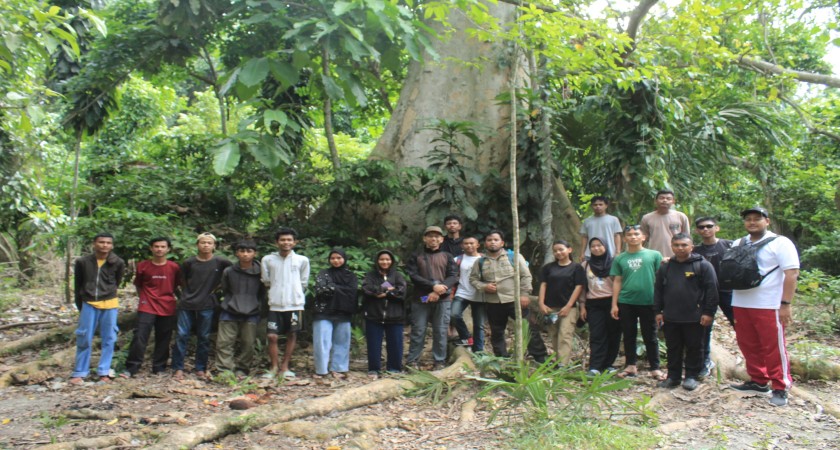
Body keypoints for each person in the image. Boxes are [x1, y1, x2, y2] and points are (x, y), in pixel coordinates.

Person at [729, 207, 799, 407]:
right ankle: (758, 380)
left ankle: (780, 385)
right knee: (748, 344)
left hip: (769, 304)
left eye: (757, 219)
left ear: (767, 221)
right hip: (741, 302)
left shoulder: (781, 243)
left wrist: (785, 304)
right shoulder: (738, 243)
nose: (752, 222)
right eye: (748, 219)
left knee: (773, 346)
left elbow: (791, 273)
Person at [469, 230, 548, 362]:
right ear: (485, 244)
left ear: (502, 243)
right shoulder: (480, 261)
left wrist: (524, 294)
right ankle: (501, 358)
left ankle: (540, 357)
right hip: (493, 302)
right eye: (489, 240)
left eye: (495, 239)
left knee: (528, 328)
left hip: (515, 300)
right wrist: (484, 287)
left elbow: (526, 275)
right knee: (497, 331)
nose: (492, 242)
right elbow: (473, 279)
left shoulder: (514, 257)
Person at [654, 234, 719, 391]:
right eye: (676, 245)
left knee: (695, 347)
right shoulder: (666, 267)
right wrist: (658, 311)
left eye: (684, 245)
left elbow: (712, 290)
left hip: (695, 316)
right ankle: (673, 377)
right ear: (672, 246)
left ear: (692, 247)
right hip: (671, 316)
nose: (680, 248)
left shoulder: (702, 265)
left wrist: (708, 312)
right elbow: (658, 290)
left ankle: (691, 376)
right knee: (673, 347)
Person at [172, 233, 232, 380]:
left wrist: (218, 289)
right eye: (203, 242)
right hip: (187, 303)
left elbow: (232, 273)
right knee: (181, 335)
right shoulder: (189, 262)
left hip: (207, 303)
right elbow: (183, 280)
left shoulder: (221, 261)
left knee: (204, 336)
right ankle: (178, 367)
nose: (206, 245)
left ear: (214, 246)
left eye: (209, 243)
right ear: (197, 245)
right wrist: (187, 294)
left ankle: (200, 367)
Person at [70, 233, 126, 385]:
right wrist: (80, 303)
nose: (104, 245)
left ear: (112, 245)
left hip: (110, 303)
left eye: (108, 243)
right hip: (89, 302)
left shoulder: (117, 262)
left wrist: (108, 292)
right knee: (84, 337)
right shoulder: (83, 262)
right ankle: (80, 372)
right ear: (94, 244)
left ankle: (104, 371)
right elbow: (78, 284)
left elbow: (117, 282)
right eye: (101, 242)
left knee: (109, 338)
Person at [610, 225, 665, 380]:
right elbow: (617, 281)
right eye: (629, 235)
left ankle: (655, 367)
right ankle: (631, 365)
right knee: (628, 334)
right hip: (626, 301)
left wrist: (661, 303)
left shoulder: (654, 255)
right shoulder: (620, 258)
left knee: (651, 335)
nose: (633, 237)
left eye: (636, 234)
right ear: (624, 238)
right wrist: (614, 304)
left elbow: (660, 278)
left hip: (649, 301)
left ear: (643, 237)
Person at [123, 237, 181, 377]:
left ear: (168, 249)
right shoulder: (143, 265)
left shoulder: (174, 267)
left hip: (167, 305)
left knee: (164, 338)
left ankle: (159, 367)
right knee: (140, 337)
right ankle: (132, 367)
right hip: (147, 305)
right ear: (151, 248)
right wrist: (144, 298)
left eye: (162, 246)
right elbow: (138, 284)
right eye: (156, 246)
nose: (159, 249)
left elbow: (177, 285)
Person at [406, 226, 458, 370]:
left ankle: (439, 361)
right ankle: (412, 361)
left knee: (441, 330)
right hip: (421, 299)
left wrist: (438, 291)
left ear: (441, 239)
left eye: (437, 236)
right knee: (418, 329)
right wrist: (432, 287)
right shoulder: (416, 256)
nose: (433, 239)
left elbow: (453, 276)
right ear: (424, 238)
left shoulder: (447, 256)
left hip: (442, 299)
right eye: (430, 236)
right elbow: (413, 276)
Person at [261, 227, 310, 379]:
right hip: (275, 304)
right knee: (272, 336)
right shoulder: (268, 259)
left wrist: (294, 294)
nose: (286, 242)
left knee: (292, 334)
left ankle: (285, 367)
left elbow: (304, 281)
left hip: (295, 304)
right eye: (282, 240)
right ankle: (273, 367)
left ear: (295, 242)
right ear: (277, 242)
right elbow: (266, 280)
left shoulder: (302, 260)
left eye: (289, 240)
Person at [216, 240, 266, 377]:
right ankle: (224, 370)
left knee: (248, 343)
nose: (245, 254)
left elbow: (263, 292)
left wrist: (258, 305)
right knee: (224, 342)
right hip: (229, 309)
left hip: (252, 310)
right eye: (242, 251)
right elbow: (225, 289)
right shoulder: (229, 271)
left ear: (255, 253)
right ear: (237, 253)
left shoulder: (261, 272)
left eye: (249, 251)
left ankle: (242, 369)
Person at [693, 216, 734, 377]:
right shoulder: (696, 251)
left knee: (740, 325)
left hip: (729, 291)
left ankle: (755, 365)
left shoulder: (729, 245)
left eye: (709, 226)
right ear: (697, 231)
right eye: (701, 227)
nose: (705, 229)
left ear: (716, 228)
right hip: (705, 293)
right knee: (703, 329)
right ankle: (704, 362)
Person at [312, 248, 358, 380]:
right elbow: (321, 290)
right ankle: (321, 369)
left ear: (344, 259)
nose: (336, 261)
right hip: (323, 311)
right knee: (322, 341)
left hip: (343, 311)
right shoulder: (323, 273)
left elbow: (352, 293)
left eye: (339, 258)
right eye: (333, 258)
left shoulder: (351, 276)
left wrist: (333, 287)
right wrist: (342, 289)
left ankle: (339, 368)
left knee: (342, 341)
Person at [538, 240, 586, 365]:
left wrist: (569, 306)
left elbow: (578, 287)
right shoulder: (548, 268)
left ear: (569, 250)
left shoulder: (577, 268)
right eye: (555, 250)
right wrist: (541, 303)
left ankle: (563, 365)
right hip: (550, 307)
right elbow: (543, 285)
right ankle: (558, 361)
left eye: (561, 249)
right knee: (553, 334)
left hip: (568, 308)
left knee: (565, 334)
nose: (558, 252)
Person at [362, 250, 407, 377]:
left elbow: (402, 293)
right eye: (382, 259)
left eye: (387, 259)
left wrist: (384, 293)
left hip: (395, 315)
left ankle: (394, 369)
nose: (385, 262)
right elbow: (367, 289)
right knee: (374, 344)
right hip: (374, 315)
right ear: (377, 261)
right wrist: (387, 288)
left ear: (392, 261)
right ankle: (374, 369)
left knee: (396, 344)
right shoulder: (371, 275)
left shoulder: (397, 275)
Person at [580, 237, 620, 375]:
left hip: (612, 302)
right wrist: (582, 306)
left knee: (613, 334)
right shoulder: (585, 265)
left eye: (599, 245)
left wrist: (616, 304)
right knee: (597, 334)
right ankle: (595, 366)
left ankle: (608, 364)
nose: (596, 248)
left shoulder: (615, 262)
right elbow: (582, 288)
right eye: (593, 246)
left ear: (606, 246)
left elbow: (619, 283)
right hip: (593, 303)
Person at [450, 236, 486, 350]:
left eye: (472, 243)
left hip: (480, 295)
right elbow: (452, 276)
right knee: (453, 314)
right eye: (466, 243)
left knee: (479, 324)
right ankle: (466, 337)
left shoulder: (485, 259)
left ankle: (479, 351)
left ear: (477, 245)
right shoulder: (457, 259)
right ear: (462, 246)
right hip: (462, 292)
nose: (469, 246)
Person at [640, 189, 690, 258]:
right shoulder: (646, 218)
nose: (665, 200)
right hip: (654, 256)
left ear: (673, 201)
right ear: (655, 201)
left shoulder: (681, 216)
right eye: (661, 198)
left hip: (677, 257)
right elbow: (642, 239)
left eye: (668, 198)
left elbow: (687, 238)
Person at [579, 196, 623, 261]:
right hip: (590, 254)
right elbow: (585, 237)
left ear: (606, 206)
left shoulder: (613, 219)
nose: (598, 206)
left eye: (600, 204)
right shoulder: (587, 221)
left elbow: (616, 236)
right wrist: (582, 253)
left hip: (610, 253)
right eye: (595, 205)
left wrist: (618, 252)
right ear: (592, 206)